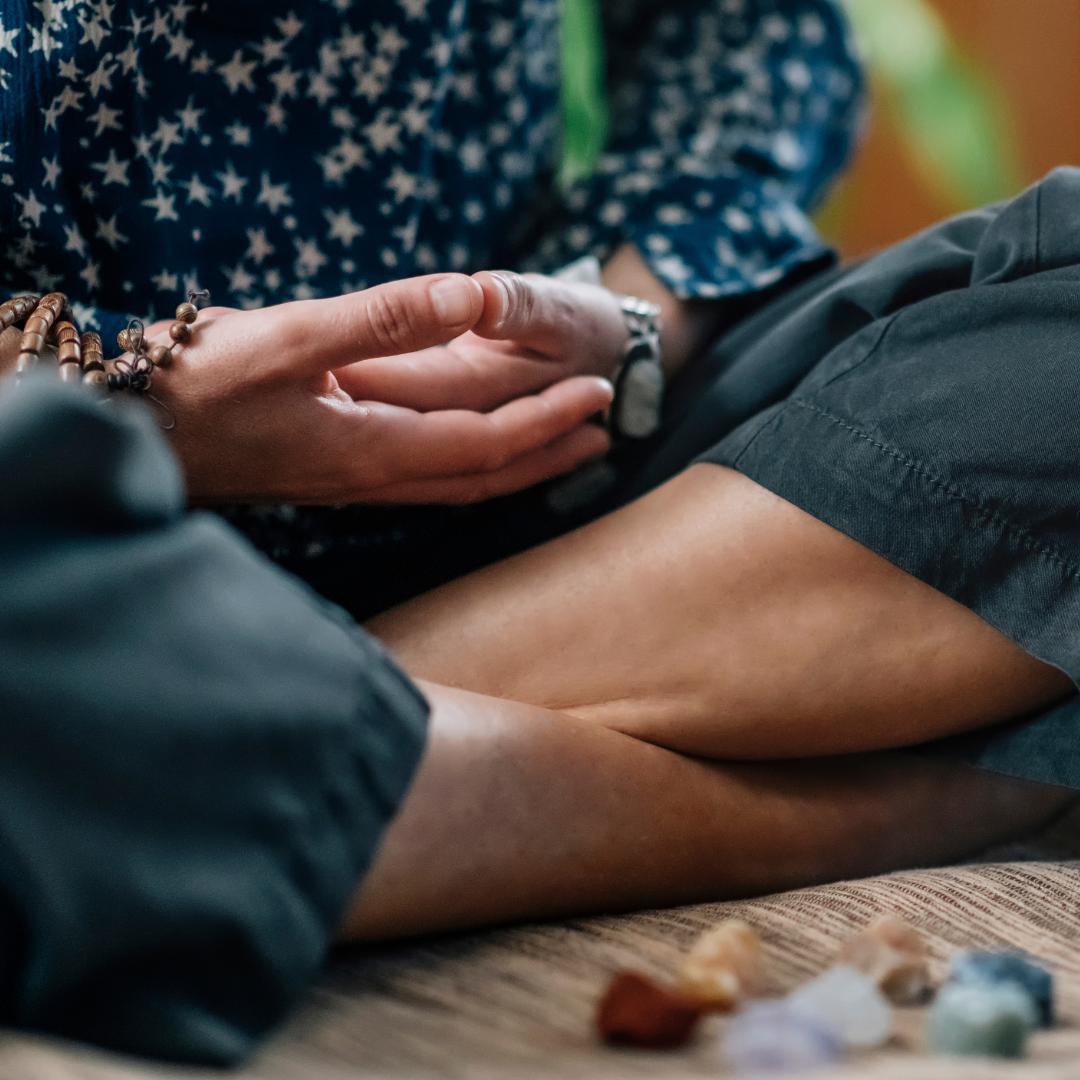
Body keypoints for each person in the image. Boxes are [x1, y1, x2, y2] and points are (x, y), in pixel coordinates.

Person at [2, 0, 1077, 1071]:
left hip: (548, 464)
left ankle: (238, 759)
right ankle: (866, 807)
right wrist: (135, 391)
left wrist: (631, 319)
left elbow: (752, 30)